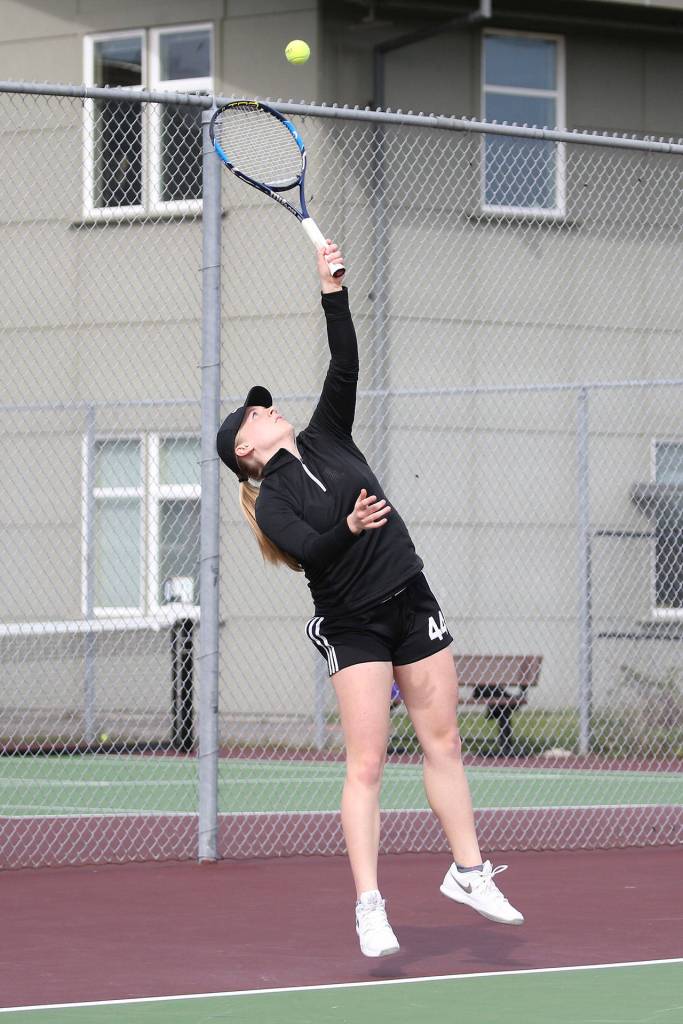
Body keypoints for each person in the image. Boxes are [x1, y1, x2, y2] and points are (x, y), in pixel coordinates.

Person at [216, 241, 524, 958]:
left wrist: (331, 294)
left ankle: (468, 873)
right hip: (352, 625)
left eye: (263, 407)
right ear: (247, 452)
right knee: (365, 764)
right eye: (254, 415)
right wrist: (349, 524)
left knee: (443, 740)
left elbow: (344, 361)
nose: (266, 411)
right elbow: (309, 551)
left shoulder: (326, 434)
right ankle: (368, 906)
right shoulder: (269, 502)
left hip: (409, 598)